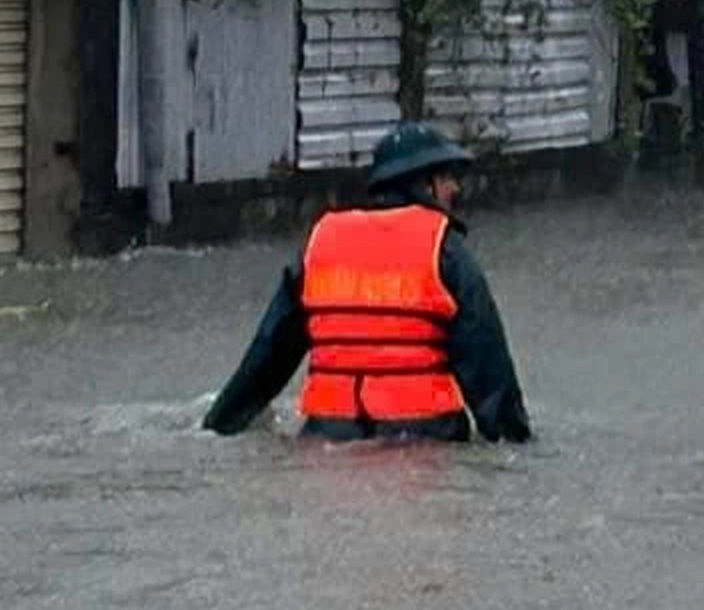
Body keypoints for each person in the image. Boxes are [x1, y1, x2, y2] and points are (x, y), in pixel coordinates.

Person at [202, 123, 532, 444]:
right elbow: (488, 367)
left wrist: (219, 425)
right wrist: (516, 443)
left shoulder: (320, 245)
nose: (455, 189)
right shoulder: (446, 251)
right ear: (424, 184)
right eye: (447, 177)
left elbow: (269, 354)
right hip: (424, 444)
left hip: (327, 442)